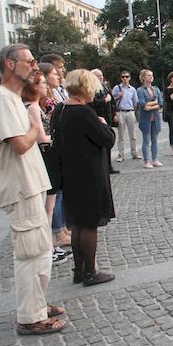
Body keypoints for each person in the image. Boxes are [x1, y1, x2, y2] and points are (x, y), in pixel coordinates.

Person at [0, 43, 67, 334]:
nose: (34, 66)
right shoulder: (2, 99)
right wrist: (34, 126)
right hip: (20, 188)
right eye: (29, 61)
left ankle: (37, 304)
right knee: (31, 252)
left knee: (41, 249)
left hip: (30, 185)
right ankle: (30, 317)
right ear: (9, 64)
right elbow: (19, 144)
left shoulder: (12, 98)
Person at [51, 69, 116, 286]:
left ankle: (79, 271)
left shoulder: (60, 109)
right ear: (86, 88)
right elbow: (106, 139)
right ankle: (90, 272)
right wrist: (103, 124)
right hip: (88, 174)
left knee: (78, 224)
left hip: (69, 174)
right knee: (89, 224)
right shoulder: (83, 112)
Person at [21, 71, 72, 265]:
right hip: (45, 157)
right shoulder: (32, 107)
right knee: (48, 207)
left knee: (50, 204)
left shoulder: (33, 106)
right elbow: (42, 138)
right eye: (42, 83)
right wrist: (61, 138)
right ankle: (48, 248)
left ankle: (49, 246)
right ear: (33, 86)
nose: (45, 86)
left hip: (44, 157)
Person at [90, 69, 119, 174]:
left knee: (109, 142)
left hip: (108, 117)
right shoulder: (91, 88)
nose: (100, 77)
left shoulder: (105, 86)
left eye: (101, 75)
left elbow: (112, 102)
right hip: (98, 117)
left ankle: (109, 166)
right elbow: (92, 102)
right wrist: (104, 100)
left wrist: (115, 113)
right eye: (98, 76)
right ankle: (103, 167)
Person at [137, 69, 164, 169]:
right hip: (145, 119)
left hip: (155, 118)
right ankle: (146, 161)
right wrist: (154, 103)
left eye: (151, 75)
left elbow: (161, 103)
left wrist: (150, 106)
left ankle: (155, 159)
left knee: (155, 140)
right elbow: (143, 104)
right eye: (148, 75)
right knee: (146, 140)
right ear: (143, 77)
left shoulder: (156, 89)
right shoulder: (140, 90)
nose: (151, 77)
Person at [112, 70, 141, 162]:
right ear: (121, 78)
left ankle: (134, 153)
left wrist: (134, 111)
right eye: (123, 77)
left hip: (130, 111)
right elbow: (111, 101)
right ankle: (121, 155)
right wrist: (117, 97)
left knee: (133, 135)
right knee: (121, 135)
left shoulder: (132, 89)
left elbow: (136, 102)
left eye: (127, 76)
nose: (125, 78)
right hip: (120, 112)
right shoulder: (117, 88)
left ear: (129, 78)